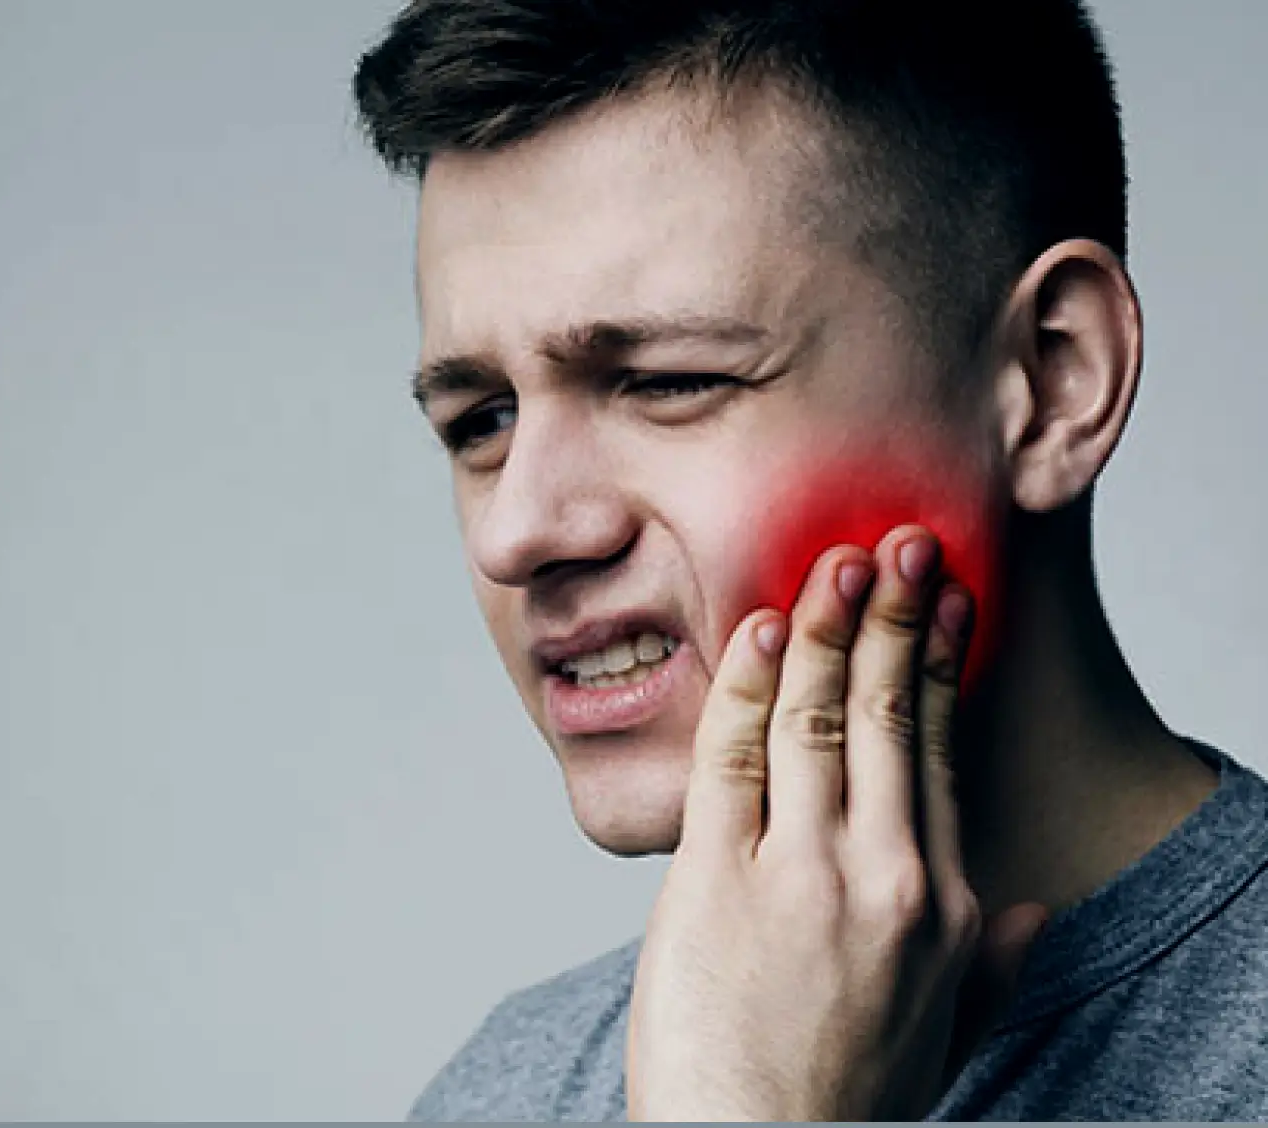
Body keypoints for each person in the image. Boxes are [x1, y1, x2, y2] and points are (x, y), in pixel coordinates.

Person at [351, 0, 1268, 1119]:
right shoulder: (502, 1090)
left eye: (667, 380)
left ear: (1051, 378)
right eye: (480, 420)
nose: (518, 532)